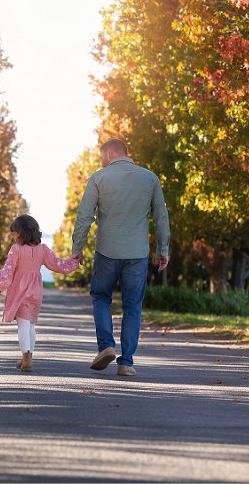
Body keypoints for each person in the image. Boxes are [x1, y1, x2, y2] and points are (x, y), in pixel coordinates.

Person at [71, 138, 170, 377]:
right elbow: (161, 217)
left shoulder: (99, 178)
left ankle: (106, 345)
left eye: (102, 156)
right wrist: (163, 249)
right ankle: (126, 362)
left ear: (111, 152)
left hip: (107, 251)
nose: (101, 161)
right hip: (137, 253)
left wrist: (78, 247)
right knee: (132, 306)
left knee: (101, 296)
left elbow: (85, 215)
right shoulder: (150, 178)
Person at [0, 214, 81, 372]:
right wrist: (73, 262)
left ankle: (26, 357)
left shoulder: (16, 250)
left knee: (23, 326)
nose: (13, 237)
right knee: (30, 324)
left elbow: (8, 270)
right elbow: (57, 264)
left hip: (20, 291)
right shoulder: (43, 249)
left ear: (22, 232)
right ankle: (28, 356)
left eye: (14, 233)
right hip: (36, 290)